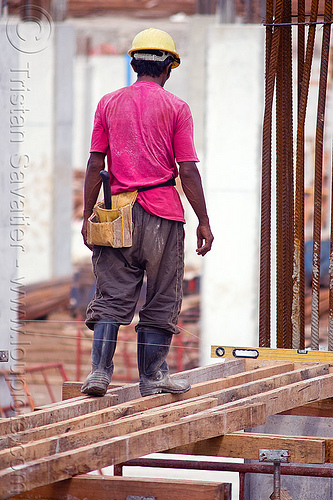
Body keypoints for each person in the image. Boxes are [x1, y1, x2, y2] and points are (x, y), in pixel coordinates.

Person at [81, 28, 214, 397]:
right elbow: (187, 169)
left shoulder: (108, 102)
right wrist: (203, 220)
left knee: (111, 293)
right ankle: (152, 377)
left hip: (116, 213)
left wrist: (88, 215)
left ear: (134, 63)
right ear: (169, 67)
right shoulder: (176, 107)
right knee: (161, 296)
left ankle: (99, 374)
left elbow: (95, 164)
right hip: (162, 215)